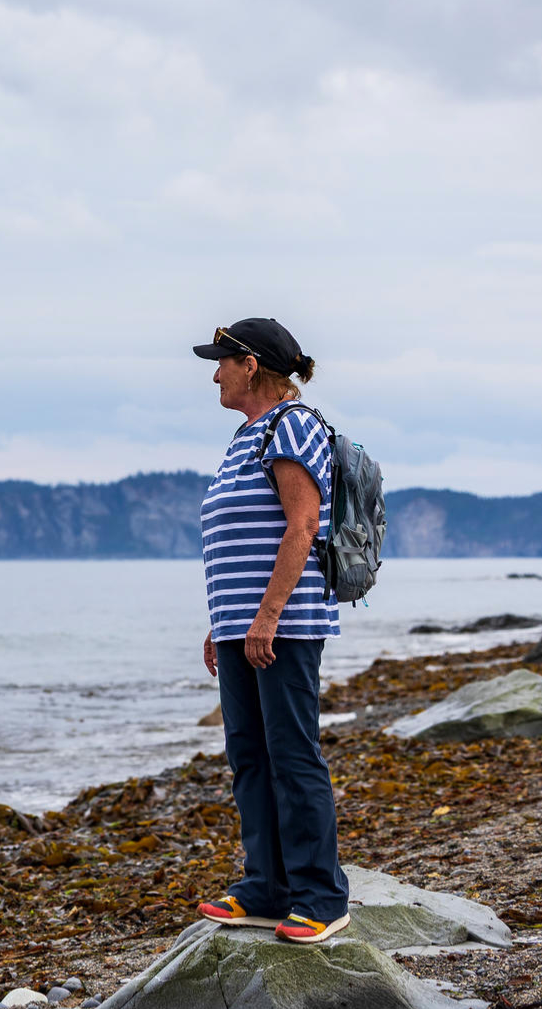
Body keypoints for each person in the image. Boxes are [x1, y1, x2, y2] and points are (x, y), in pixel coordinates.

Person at [190, 317, 350, 944]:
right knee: (250, 757)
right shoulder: (246, 435)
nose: (215, 373)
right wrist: (224, 622)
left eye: (223, 362)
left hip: (282, 624)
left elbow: (301, 526)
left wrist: (268, 615)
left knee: (291, 754)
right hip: (242, 624)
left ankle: (320, 896)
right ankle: (266, 887)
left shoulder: (293, 426)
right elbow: (240, 538)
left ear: (251, 365)